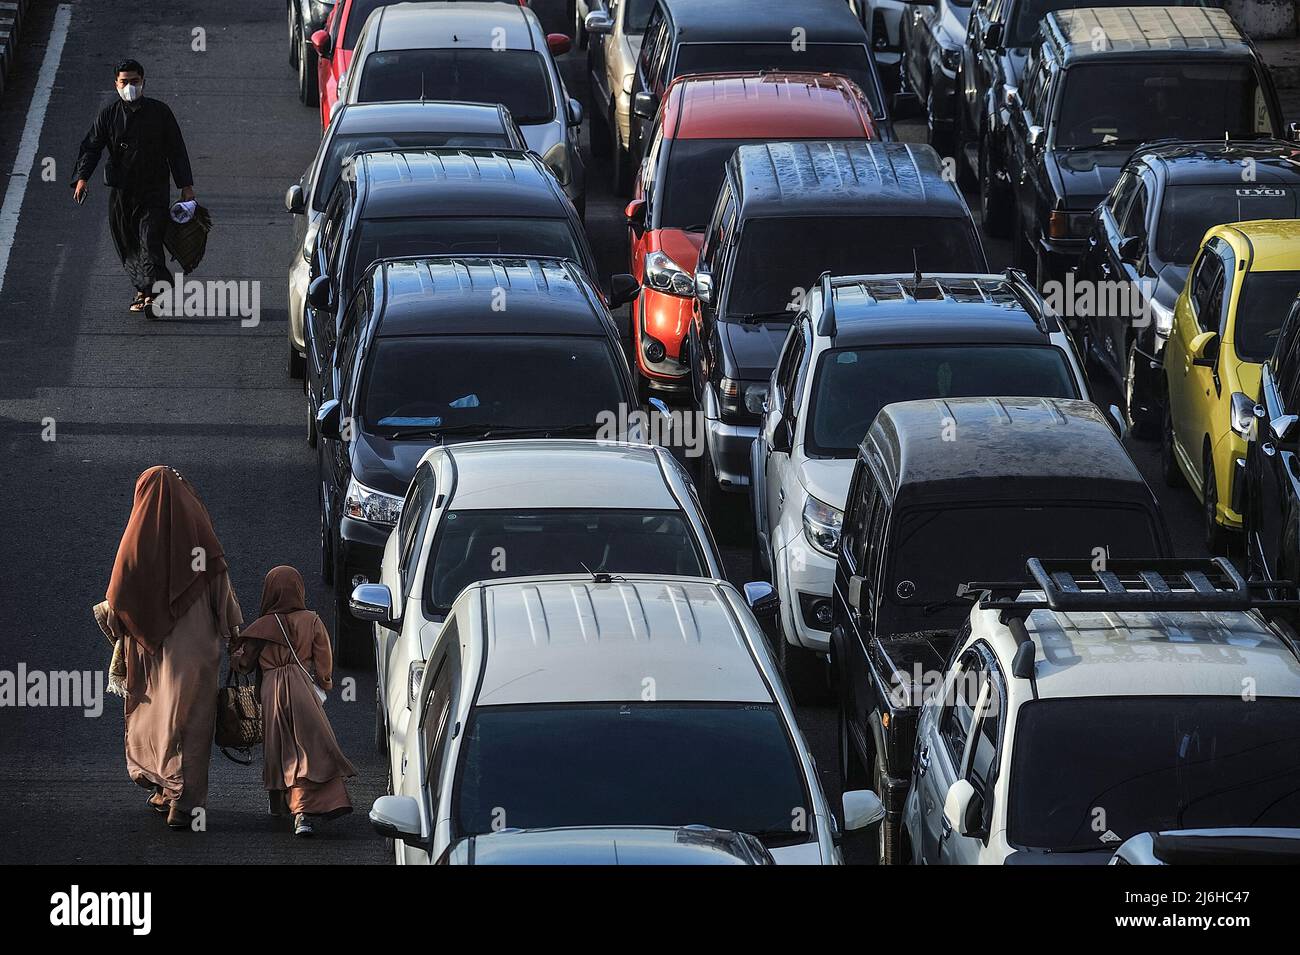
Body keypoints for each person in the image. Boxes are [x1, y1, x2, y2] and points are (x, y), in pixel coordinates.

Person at [93, 466, 242, 831]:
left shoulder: (137, 539)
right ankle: (186, 804)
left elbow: (117, 598)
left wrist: (122, 629)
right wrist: (233, 632)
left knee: (157, 716)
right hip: (196, 653)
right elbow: (222, 591)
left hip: (150, 650)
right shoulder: (201, 538)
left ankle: (163, 786)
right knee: (192, 723)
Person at [232, 566, 356, 837]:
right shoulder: (312, 620)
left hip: (272, 692)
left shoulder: (261, 627)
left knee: (281, 747)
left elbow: (243, 663)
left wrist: (236, 655)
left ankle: (278, 804)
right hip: (302, 690)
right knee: (308, 747)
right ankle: (304, 811)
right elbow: (324, 662)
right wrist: (324, 683)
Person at [71, 59, 196, 313]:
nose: (130, 87)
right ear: (116, 84)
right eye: (124, 82)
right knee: (127, 244)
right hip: (121, 193)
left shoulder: (161, 113)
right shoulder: (108, 116)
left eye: (134, 81)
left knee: (149, 240)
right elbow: (91, 147)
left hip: (153, 191)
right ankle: (143, 290)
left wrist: (186, 186)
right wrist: (82, 178)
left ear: (143, 82)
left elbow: (176, 151)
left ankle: (152, 295)